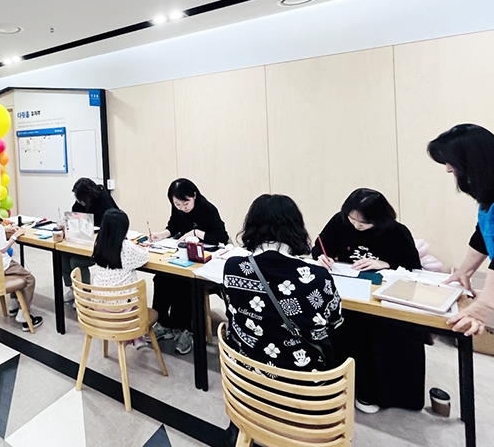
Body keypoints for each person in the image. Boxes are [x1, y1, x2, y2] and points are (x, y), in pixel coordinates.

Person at [221, 194, 343, 446]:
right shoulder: (317, 276)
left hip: (246, 375)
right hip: (301, 383)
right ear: (296, 227)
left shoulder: (232, 267)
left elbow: (231, 311)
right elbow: (335, 322)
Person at [314, 188, 424, 413]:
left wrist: (385, 263)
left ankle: (371, 392)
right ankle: (338, 383)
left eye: (363, 223)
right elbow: (319, 247)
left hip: (382, 297)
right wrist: (321, 257)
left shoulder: (396, 232)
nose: (356, 226)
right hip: (348, 292)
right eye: (352, 220)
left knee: (380, 332)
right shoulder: (340, 222)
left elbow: (414, 268)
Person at [150, 178, 230, 355]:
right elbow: (173, 226)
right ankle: (164, 323)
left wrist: (195, 233)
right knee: (161, 278)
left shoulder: (208, 210)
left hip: (205, 260)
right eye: (177, 204)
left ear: (194, 195)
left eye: (185, 203)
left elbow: (221, 237)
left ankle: (186, 330)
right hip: (183, 256)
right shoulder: (178, 208)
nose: (182, 208)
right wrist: (161, 235)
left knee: (184, 284)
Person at [428, 123, 494, 336]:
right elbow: (483, 234)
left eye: (450, 162)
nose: (448, 169)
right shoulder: (488, 198)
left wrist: (485, 306)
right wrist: (464, 272)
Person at [0, 192, 43, 331]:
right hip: (2, 265)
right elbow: (3, 248)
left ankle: (13, 305)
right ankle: (23, 314)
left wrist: (6, 229)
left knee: (19, 273)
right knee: (29, 279)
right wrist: (15, 235)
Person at [91, 208, 150, 347]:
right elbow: (144, 257)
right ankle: (134, 335)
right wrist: (142, 248)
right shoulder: (126, 246)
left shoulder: (99, 243)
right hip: (122, 310)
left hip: (99, 308)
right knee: (134, 293)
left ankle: (134, 337)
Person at [60, 178, 118, 302]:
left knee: (77, 261)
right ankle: (72, 288)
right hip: (85, 240)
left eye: (80, 198)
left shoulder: (104, 201)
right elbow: (75, 216)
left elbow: (110, 225)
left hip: (103, 244)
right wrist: (68, 224)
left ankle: (84, 295)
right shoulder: (81, 202)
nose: (79, 201)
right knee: (63, 254)